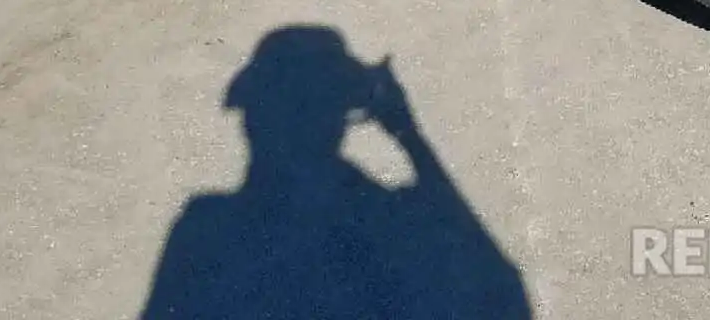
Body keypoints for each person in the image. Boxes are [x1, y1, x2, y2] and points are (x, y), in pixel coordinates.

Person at [140, 26, 530, 319]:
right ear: (342, 117)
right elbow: (500, 287)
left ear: (254, 122)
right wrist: (409, 136)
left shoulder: (202, 228)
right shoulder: (387, 218)